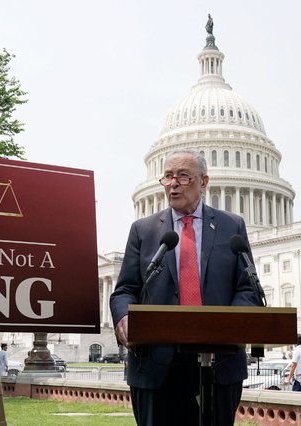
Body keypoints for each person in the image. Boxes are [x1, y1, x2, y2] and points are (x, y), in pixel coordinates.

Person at [110, 149, 261, 426]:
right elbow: (125, 290)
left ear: (203, 182)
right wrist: (124, 318)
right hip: (155, 363)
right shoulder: (144, 231)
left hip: (219, 362)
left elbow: (248, 289)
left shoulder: (232, 226)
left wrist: (225, 333)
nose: (173, 183)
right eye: (167, 176)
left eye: (182, 176)